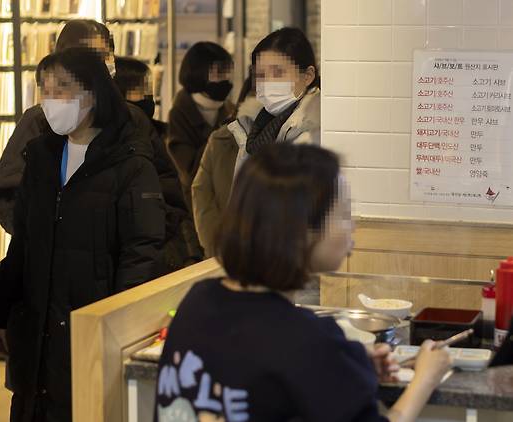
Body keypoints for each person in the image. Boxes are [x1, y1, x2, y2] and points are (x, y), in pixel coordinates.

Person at [155, 143, 452, 422]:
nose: (354, 225)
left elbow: (263, 384)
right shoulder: (308, 339)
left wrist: (348, 368)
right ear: (302, 231)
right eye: (344, 213)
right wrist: (426, 378)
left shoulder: (198, 302)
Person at [0, 47, 165, 422]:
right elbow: (23, 243)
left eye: (63, 88)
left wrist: (118, 332)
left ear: (94, 93)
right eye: (45, 89)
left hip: (92, 332)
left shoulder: (131, 164)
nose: (52, 100)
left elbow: (141, 255)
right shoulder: (40, 157)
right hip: (37, 333)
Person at [0, 19, 157, 234]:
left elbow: (163, 192)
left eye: (107, 55)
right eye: (93, 56)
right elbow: (5, 192)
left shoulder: (131, 117)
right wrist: (41, 237)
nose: (103, 64)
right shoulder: (41, 119)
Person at [114, 56, 203, 270]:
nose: (148, 97)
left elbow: (175, 203)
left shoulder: (158, 137)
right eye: (139, 89)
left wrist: (191, 254)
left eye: (149, 89)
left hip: (161, 256)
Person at [229, 27, 321, 176]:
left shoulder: (317, 132)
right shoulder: (254, 129)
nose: (267, 82)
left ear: (308, 76)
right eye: (260, 75)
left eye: (278, 72)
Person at [191, 72, 262, 257]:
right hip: (224, 253)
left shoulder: (288, 136)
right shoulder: (221, 139)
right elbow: (201, 193)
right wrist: (217, 246)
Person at [167, 41, 235, 211]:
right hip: (195, 209)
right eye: (219, 73)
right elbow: (190, 170)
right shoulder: (179, 115)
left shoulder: (231, 109)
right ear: (199, 73)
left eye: (227, 72)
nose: (225, 79)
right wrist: (221, 133)